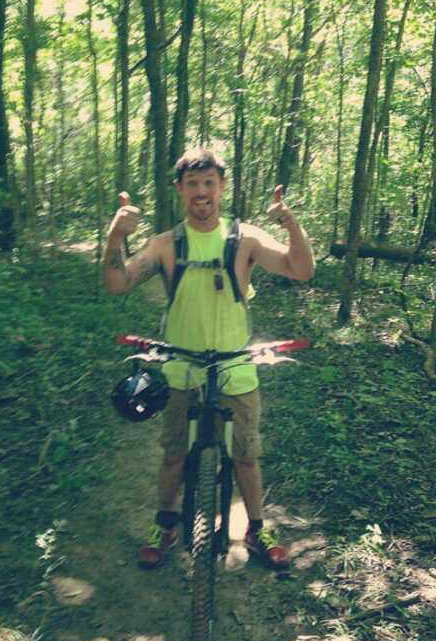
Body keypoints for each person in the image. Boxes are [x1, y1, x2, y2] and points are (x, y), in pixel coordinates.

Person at [103, 147, 315, 570]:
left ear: (221, 188)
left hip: (236, 369)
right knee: (174, 455)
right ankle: (165, 525)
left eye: (209, 184)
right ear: (181, 190)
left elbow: (300, 269)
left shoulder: (246, 238)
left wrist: (291, 223)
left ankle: (256, 528)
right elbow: (118, 281)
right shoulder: (165, 244)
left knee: (246, 457)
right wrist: (115, 236)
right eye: (193, 184)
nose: (202, 192)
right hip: (182, 370)